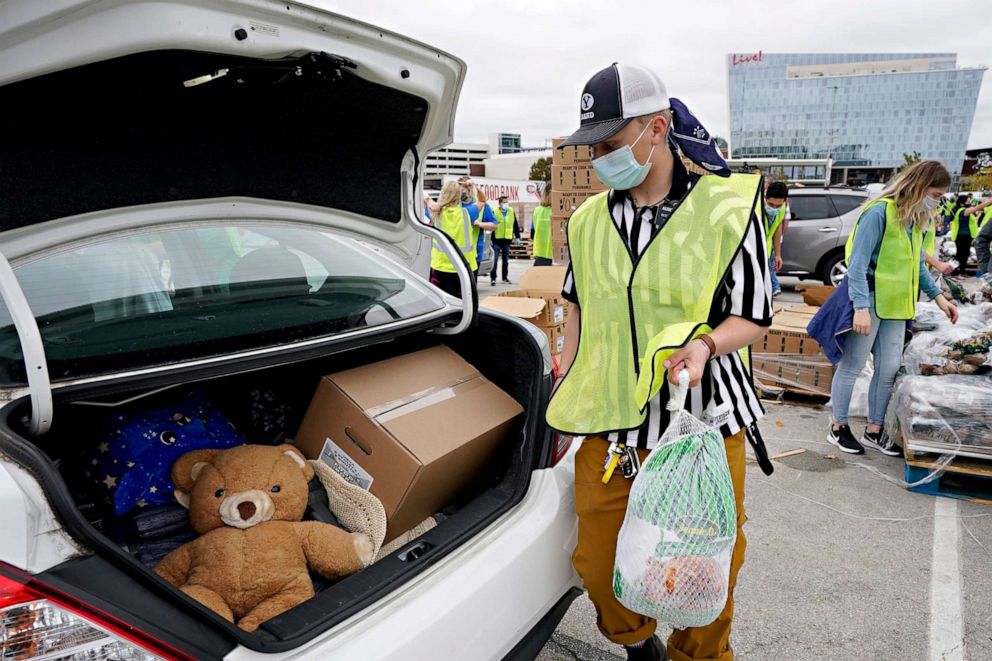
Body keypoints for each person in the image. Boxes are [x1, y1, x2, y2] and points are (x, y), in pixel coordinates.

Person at [545, 64, 772, 661]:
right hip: (612, 423)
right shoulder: (590, 221)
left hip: (701, 424)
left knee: (701, 573)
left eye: (611, 144)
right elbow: (578, 307)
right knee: (597, 559)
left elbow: (752, 315)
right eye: (593, 145)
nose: (599, 157)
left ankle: (696, 655)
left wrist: (705, 345)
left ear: (658, 129)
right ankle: (636, 645)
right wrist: (564, 380)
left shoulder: (726, 209)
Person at [826, 161, 958, 456]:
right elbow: (856, 265)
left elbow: (917, 266)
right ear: (919, 186)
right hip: (871, 302)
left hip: (897, 307)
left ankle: (874, 429)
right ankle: (838, 426)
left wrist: (939, 298)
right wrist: (860, 306)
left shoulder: (915, 219)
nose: (937, 201)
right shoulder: (878, 213)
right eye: (935, 194)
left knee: (887, 370)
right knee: (852, 366)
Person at [428, 181, 477, 298]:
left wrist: (429, 201)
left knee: (441, 302)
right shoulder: (468, 212)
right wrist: (473, 186)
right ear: (459, 195)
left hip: (440, 267)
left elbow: (424, 195)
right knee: (465, 303)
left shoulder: (435, 212)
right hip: (465, 266)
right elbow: (482, 201)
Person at [456, 177, 498, 279]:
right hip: (455, 253)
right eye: (460, 188)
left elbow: (494, 225)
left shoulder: (482, 206)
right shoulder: (455, 205)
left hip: (474, 253)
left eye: (466, 188)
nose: (463, 191)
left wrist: (480, 224)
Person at [949, 193, 988, 275]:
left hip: (963, 236)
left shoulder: (961, 211)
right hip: (963, 237)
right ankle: (957, 271)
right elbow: (978, 207)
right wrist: (989, 201)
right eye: (967, 201)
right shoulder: (964, 211)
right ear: (962, 204)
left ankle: (958, 271)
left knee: (963, 254)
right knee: (962, 255)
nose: (969, 203)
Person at [763, 181, 790, 297]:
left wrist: (778, 255)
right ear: (765, 198)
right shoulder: (756, 207)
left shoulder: (783, 208)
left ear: (784, 201)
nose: (774, 208)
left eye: (778, 205)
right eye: (770, 204)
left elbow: (777, 228)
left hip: (767, 252)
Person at [490, 195, 521, 284]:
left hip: (507, 240)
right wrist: (490, 240)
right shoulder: (494, 212)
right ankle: (493, 278)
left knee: (505, 261)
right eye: (504, 202)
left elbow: (515, 225)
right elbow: (491, 225)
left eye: (507, 202)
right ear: (499, 204)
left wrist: (517, 236)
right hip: (496, 240)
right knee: (495, 260)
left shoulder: (511, 211)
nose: (506, 204)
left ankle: (504, 278)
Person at [532, 184, 554, 266]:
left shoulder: (537, 210)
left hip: (540, 252)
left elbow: (534, 229)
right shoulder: (556, 212)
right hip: (554, 254)